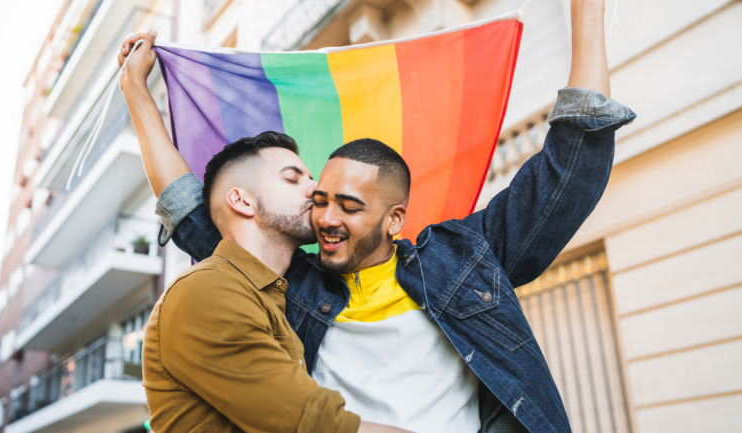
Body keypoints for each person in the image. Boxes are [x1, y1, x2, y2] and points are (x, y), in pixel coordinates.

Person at [119, 0, 635, 431]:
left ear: (394, 219)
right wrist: (137, 92)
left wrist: (586, 13)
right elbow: (191, 207)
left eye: (349, 206)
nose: (325, 217)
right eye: (319, 199)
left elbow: (569, 170)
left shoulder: (462, 257)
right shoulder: (286, 286)